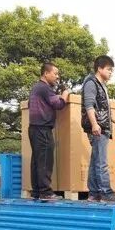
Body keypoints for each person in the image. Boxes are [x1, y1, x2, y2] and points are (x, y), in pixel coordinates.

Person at [81, 55, 115, 202]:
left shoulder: (102, 85)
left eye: (112, 70)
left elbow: (104, 109)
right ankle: (106, 192)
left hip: (102, 126)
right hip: (98, 127)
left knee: (96, 160)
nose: (111, 72)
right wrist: (94, 124)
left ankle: (94, 193)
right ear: (99, 69)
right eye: (109, 69)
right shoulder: (91, 83)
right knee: (101, 161)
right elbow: (89, 105)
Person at [28, 62, 69, 201]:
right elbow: (59, 104)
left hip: (34, 128)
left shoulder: (36, 88)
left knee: (37, 161)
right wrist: (65, 94)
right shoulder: (44, 88)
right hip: (43, 129)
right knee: (45, 161)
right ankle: (46, 192)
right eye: (55, 73)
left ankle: (36, 191)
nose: (57, 77)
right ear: (46, 73)